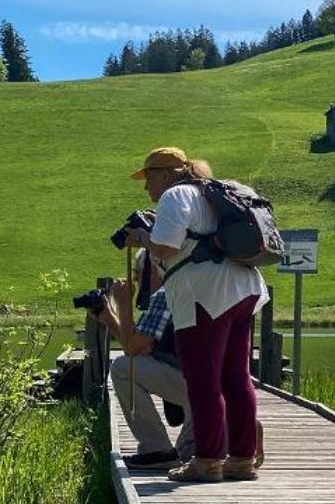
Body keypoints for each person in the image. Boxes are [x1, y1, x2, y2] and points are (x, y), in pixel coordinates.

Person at [126, 147, 269, 483]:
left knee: (202, 381)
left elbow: (167, 249)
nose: (147, 188)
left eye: (148, 179)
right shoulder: (214, 192)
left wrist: (142, 238)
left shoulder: (175, 196)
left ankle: (206, 461)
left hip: (202, 296)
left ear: (165, 173)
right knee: (236, 377)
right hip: (243, 289)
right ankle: (242, 459)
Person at [90, 250, 195, 469]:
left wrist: (124, 304)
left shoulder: (166, 294)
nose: (136, 279)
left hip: (199, 389)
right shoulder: (187, 285)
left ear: (155, 270)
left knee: (120, 368)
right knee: (188, 453)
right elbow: (141, 349)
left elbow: (130, 350)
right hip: (212, 389)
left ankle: (156, 449)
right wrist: (111, 319)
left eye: (138, 273)